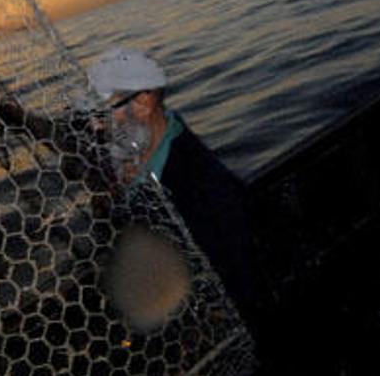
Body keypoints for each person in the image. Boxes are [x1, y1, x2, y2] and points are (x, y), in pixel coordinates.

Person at [85, 47, 257, 319]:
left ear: (144, 101)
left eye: (111, 109)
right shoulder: (158, 149)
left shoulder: (198, 185)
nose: (102, 125)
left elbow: (237, 271)